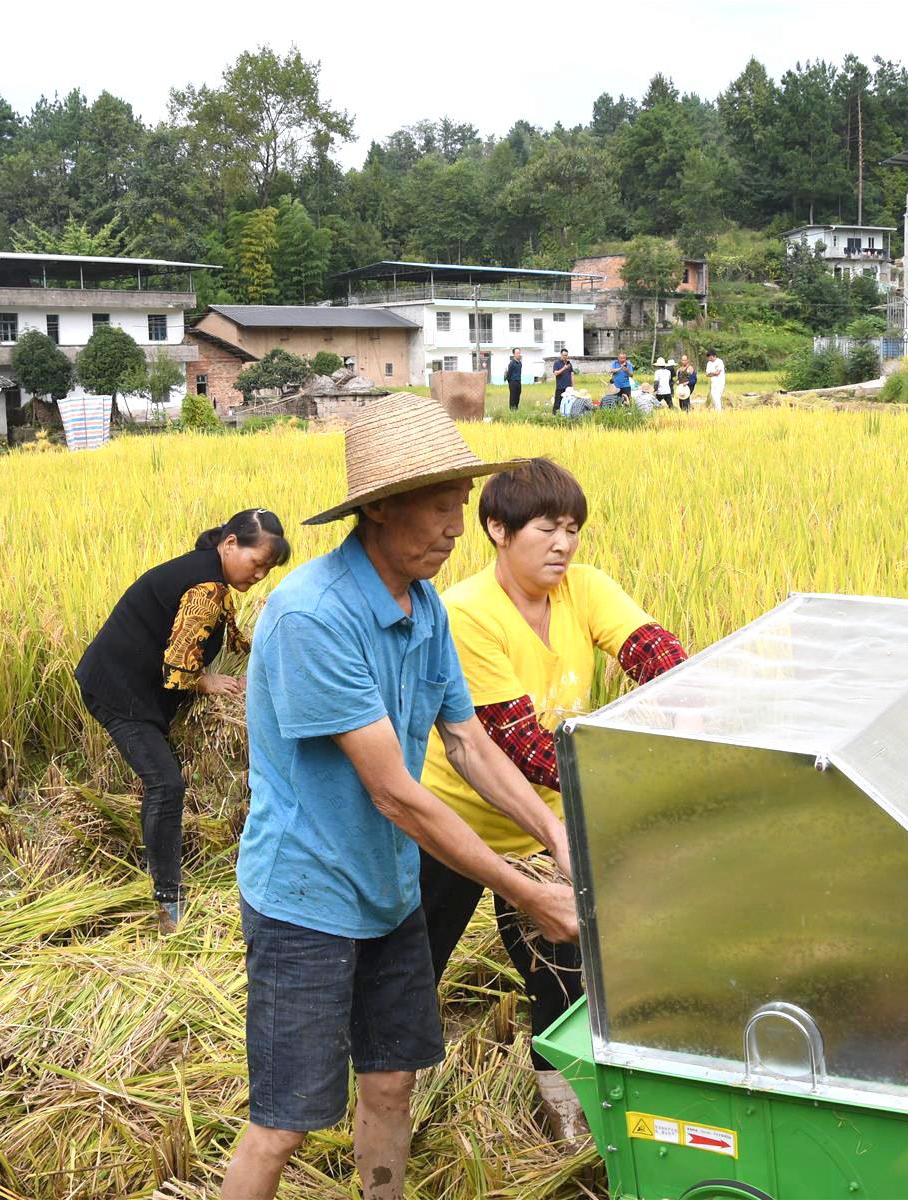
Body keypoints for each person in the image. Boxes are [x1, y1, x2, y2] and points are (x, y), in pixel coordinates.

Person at [223, 394, 579, 1200]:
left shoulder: (422, 609)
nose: (457, 527)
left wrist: (554, 838)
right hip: (307, 901)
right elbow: (397, 795)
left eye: (461, 506)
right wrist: (527, 894)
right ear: (379, 509)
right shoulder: (313, 614)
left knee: (391, 1083)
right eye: (440, 507)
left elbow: (469, 742)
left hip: (387, 896)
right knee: (283, 1120)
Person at [418, 458, 689, 1139]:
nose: (564, 544)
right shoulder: (466, 613)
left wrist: (692, 705)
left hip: (547, 826)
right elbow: (519, 746)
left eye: (573, 529)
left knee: (563, 966)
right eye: (547, 528)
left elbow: (654, 652)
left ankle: (563, 1103)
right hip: (456, 822)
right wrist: (631, 776)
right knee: (417, 960)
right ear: (498, 530)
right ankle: (394, 1086)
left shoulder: (584, 587)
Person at [76, 509, 292, 933]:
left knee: (164, 776)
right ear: (230, 544)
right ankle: (169, 902)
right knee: (166, 783)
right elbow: (178, 669)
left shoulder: (205, 573)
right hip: (118, 690)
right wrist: (205, 681)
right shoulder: (205, 587)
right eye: (257, 562)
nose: (260, 575)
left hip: (126, 682)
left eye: (268, 569)